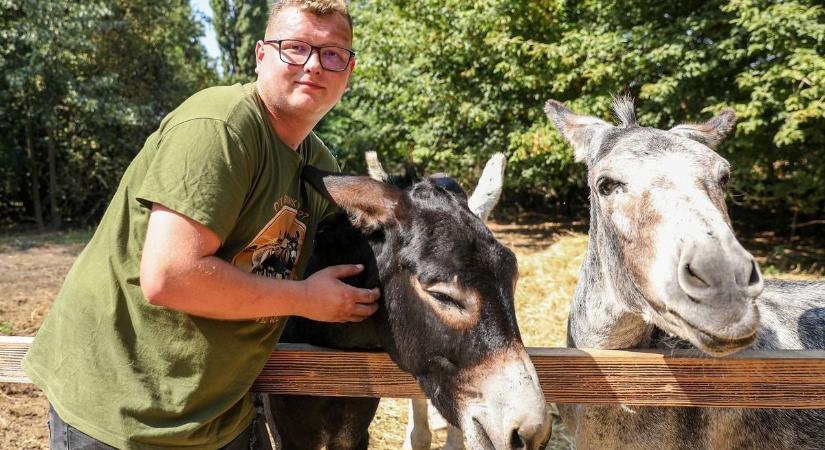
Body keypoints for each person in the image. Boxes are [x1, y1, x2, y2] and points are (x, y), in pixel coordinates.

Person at [22, 1, 380, 449]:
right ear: (261, 55)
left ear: (348, 70)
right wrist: (306, 299)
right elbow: (170, 277)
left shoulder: (318, 165)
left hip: (221, 414)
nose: (313, 65)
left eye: (332, 54)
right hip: (123, 410)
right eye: (295, 48)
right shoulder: (219, 128)